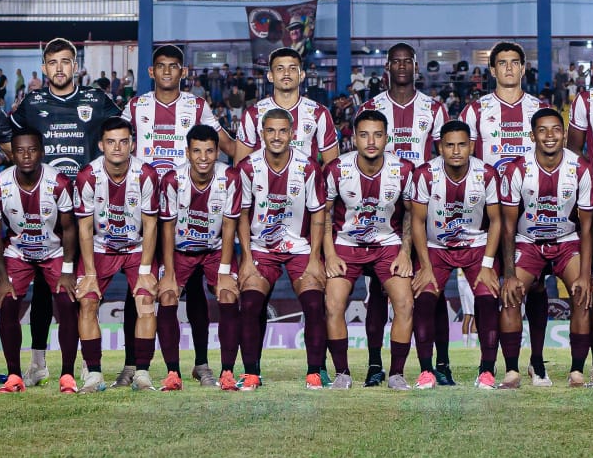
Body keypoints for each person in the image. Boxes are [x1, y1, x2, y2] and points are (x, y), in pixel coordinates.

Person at [122, 44, 237, 388]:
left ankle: (202, 364)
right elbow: (116, 142)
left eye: (175, 66)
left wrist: (258, 166)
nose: (168, 72)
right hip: (144, 209)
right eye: (162, 66)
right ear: (151, 72)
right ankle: (132, 364)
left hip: (189, 206)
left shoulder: (197, 106)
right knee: (141, 287)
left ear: (183, 72)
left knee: (199, 294)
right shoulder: (136, 106)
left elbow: (226, 144)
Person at [9, 38, 121, 386]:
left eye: (66, 62)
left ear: (76, 66)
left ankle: (88, 363)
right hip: (44, 207)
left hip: (87, 209)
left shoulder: (96, 100)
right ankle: (39, 363)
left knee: (80, 286)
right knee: (44, 290)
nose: (59, 68)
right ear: (44, 68)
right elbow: (10, 141)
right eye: (52, 62)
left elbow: (122, 136)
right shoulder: (32, 103)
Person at [358, 43, 449, 385]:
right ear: (386, 67)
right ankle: (374, 364)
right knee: (377, 291)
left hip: (423, 206)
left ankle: (439, 364)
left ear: (415, 66)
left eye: (405, 62)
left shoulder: (433, 108)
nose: (400, 67)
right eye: (393, 62)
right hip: (381, 208)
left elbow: (444, 157)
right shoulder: (371, 107)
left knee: (430, 286)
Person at [462, 42, 550, 381]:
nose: (509, 68)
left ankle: (537, 360)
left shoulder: (539, 108)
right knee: (491, 286)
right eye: (502, 63)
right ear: (493, 70)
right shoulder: (476, 110)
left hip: (530, 209)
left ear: (524, 68)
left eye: (515, 62)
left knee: (536, 285)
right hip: (486, 211)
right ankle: (492, 363)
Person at [498, 108, 593, 389]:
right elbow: (507, 226)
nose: (550, 135)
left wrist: (585, 274)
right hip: (528, 243)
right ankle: (513, 370)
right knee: (511, 294)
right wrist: (509, 274)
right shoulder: (517, 169)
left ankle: (577, 371)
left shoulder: (580, 168)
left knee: (581, 293)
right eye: (542, 130)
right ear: (532, 135)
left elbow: (587, 227)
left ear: (565, 133)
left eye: (556, 129)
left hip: (566, 242)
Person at [321, 110, 417, 389]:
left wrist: (404, 252)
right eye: (364, 135)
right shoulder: (338, 169)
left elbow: (411, 213)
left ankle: (396, 374)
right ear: (354, 138)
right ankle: (342, 373)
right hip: (346, 246)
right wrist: (329, 253)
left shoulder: (403, 170)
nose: (371, 141)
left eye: (377, 134)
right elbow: (324, 214)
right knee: (333, 305)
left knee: (405, 304)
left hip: (388, 246)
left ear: (387, 137)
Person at [0, 128, 81, 393]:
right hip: (18, 253)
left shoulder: (58, 183)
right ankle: (14, 376)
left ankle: (67, 375)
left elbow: (70, 229)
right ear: (12, 154)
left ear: (42, 152)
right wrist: (2, 278)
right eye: (20, 150)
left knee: (66, 301)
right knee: (8, 302)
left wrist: (68, 270)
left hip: (55, 251)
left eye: (32, 149)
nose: (26, 156)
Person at [235, 108, 328, 389]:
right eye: (271, 131)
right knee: (251, 303)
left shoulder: (308, 167)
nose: (277, 136)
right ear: (262, 134)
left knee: (314, 303)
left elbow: (319, 216)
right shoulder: (248, 167)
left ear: (292, 134)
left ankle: (315, 371)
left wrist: (314, 258)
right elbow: (241, 216)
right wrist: (246, 259)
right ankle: (251, 373)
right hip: (261, 248)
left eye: (282, 131)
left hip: (300, 247)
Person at [407, 120, 503, 388]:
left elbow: (496, 220)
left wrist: (487, 264)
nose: (456, 151)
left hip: (476, 247)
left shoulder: (485, 174)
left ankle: (486, 371)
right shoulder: (425, 174)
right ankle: (427, 371)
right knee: (424, 301)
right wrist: (424, 265)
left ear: (472, 146)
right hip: (437, 248)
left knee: (486, 300)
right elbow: (416, 221)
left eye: (462, 144)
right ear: (440, 147)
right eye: (450, 145)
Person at [75, 118, 161, 392]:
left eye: (123, 141)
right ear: (101, 145)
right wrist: (89, 274)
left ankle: (143, 373)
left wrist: (146, 271)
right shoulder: (88, 176)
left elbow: (150, 226)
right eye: (111, 142)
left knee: (146, 302)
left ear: (132, 144)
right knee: (87, 302)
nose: (117, 147)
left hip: (136, 248)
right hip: (101, 248)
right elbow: (85, 229)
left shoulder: (146, 174)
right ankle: (94, 375)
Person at [158, 125, 243, 390]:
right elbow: (168, 229)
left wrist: (226, 270)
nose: (203, 157)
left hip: (215, 251)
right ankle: (173, 372)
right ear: (187, 152)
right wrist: (169, 273)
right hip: (181, 252)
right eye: (197, 151)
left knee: (228, 294)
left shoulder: (229, 177)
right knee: (168, 295)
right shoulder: (173, 180)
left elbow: (230, 227)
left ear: (218, 152)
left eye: (209, 151)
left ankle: (227, 371)